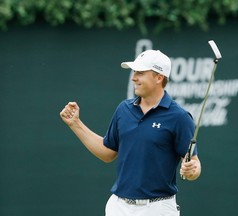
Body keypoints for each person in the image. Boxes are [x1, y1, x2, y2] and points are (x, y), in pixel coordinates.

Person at [60, 49, 201, 216]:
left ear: (159, 77)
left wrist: (192, 170)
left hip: (158, 209)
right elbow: (107, 153)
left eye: (140, 73)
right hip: (118, 207)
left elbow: (193, 163)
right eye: (134, 72)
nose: (134, 77)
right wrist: (76, 124)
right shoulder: (124, 109)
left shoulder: (179, 117)